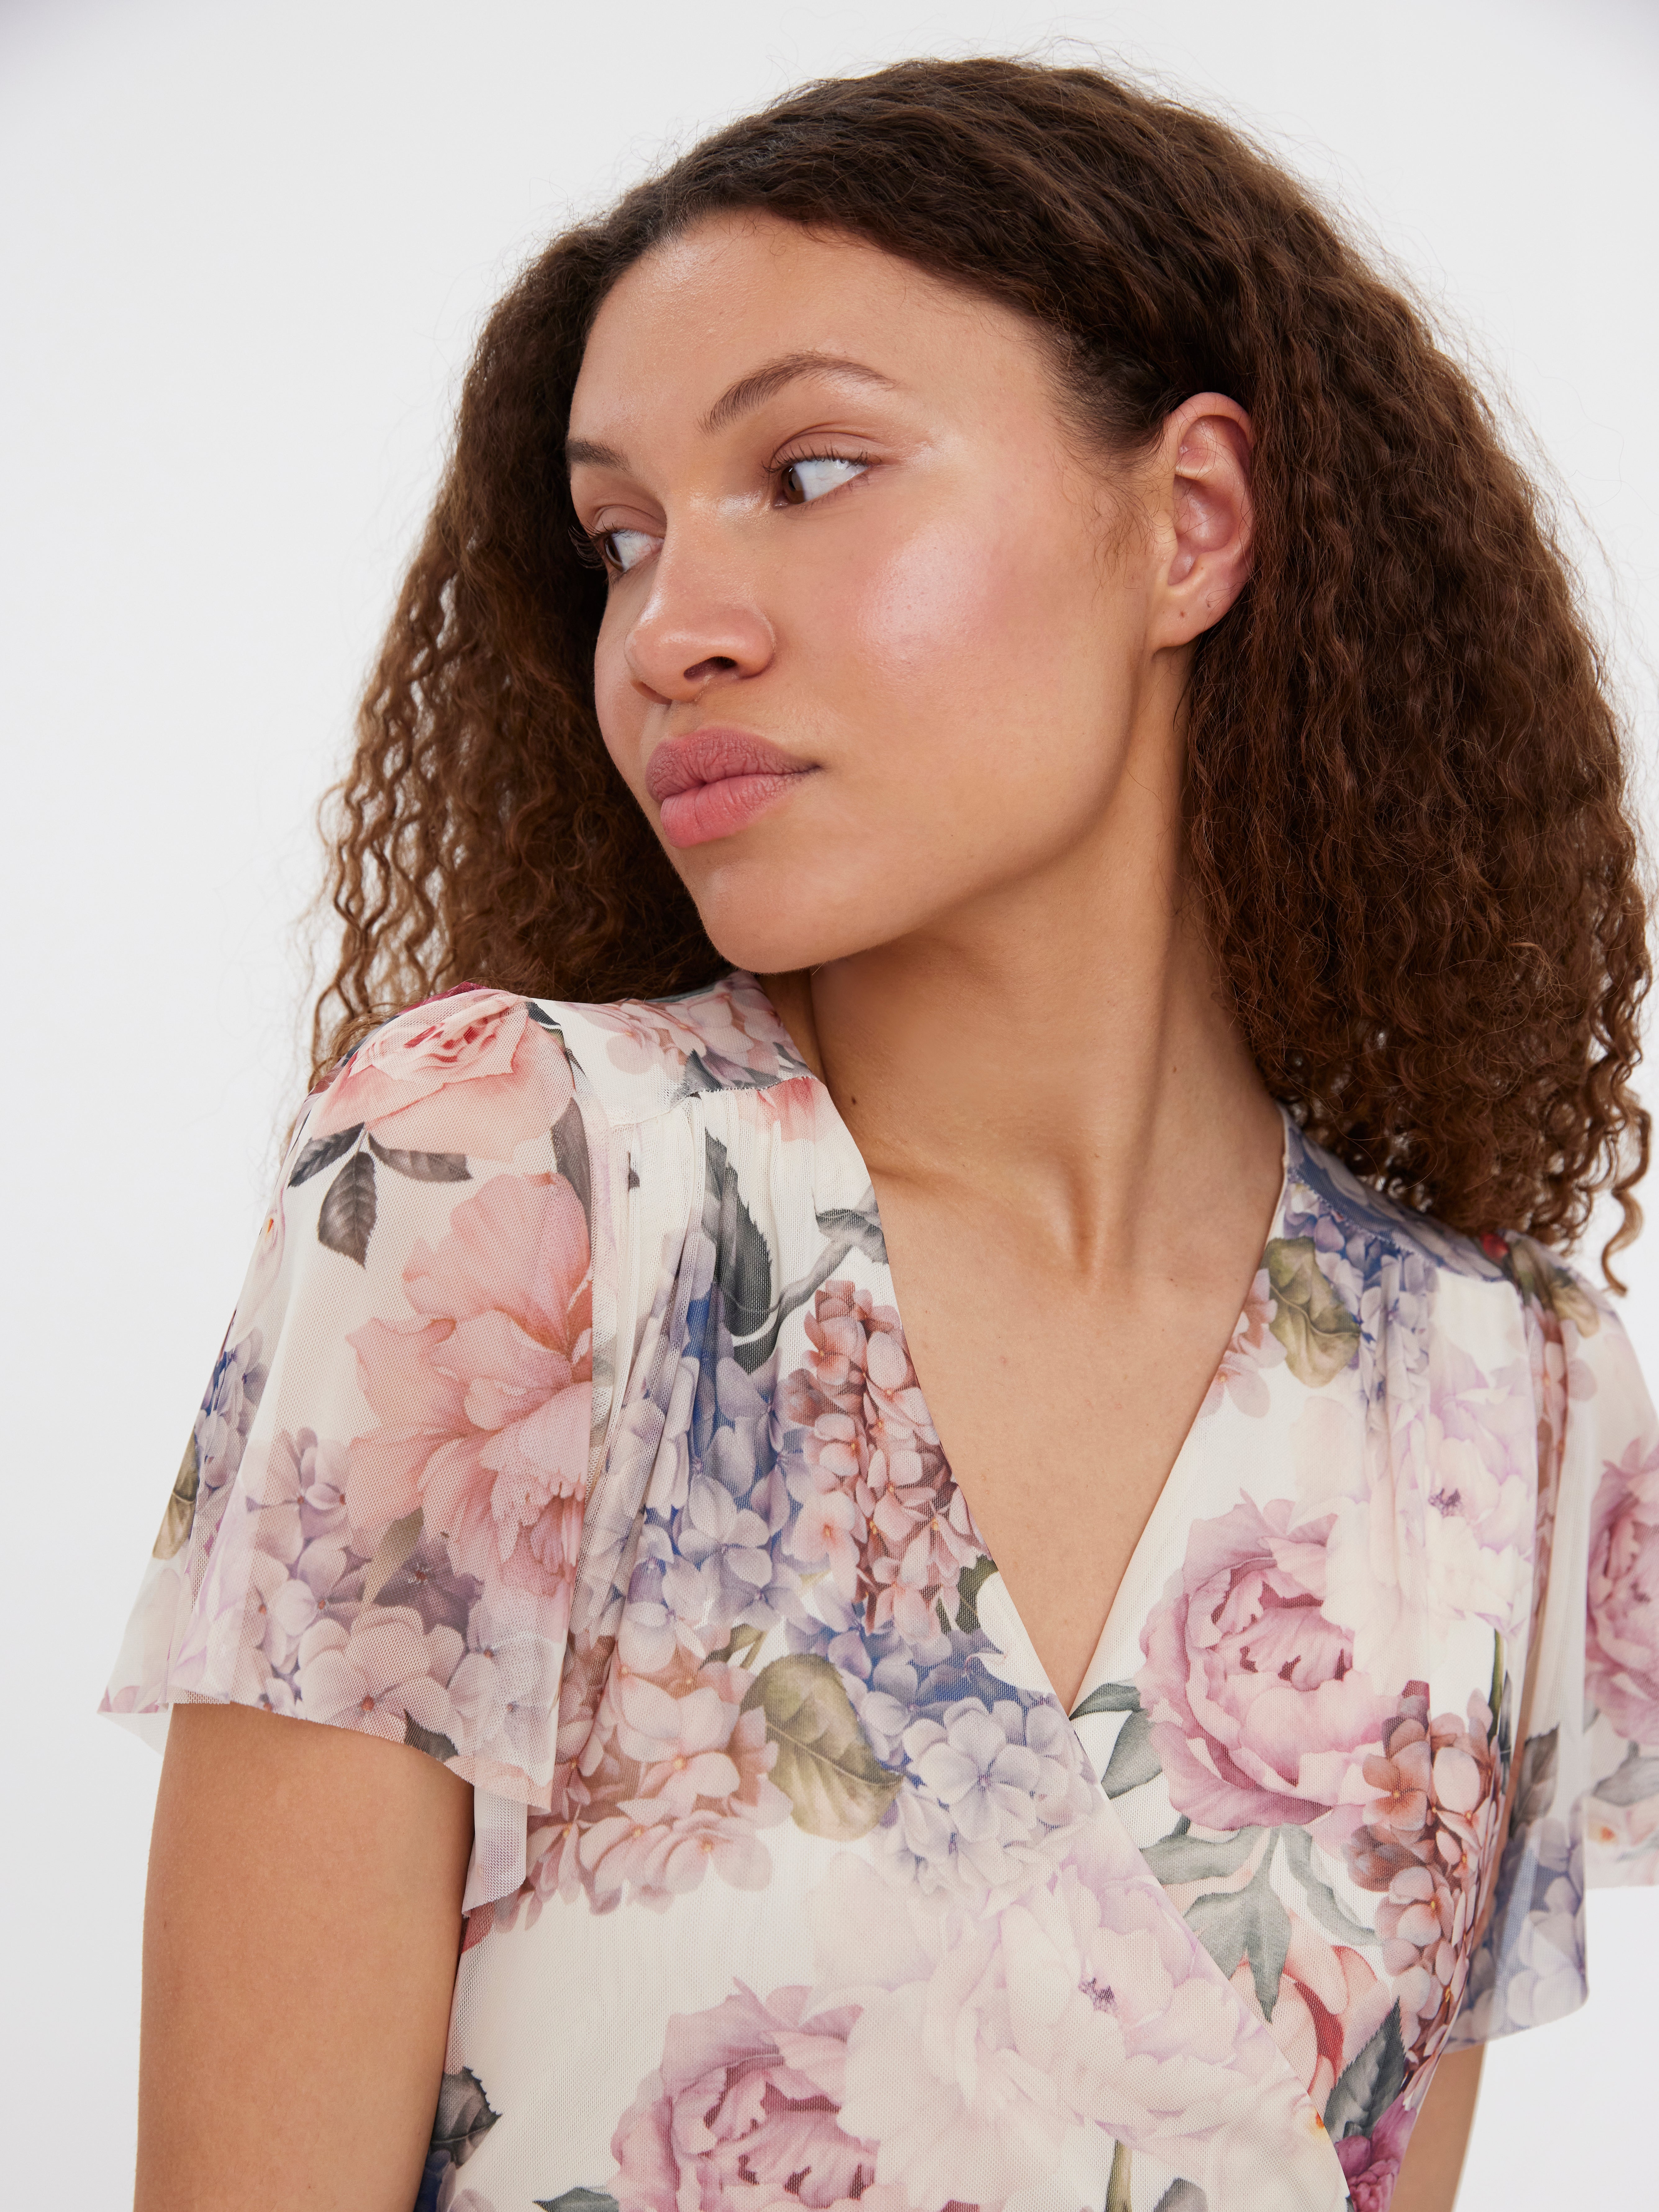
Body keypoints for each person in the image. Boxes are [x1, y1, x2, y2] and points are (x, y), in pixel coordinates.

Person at [104, 55, 1659, 2212]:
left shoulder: (1514, 1402)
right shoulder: (516, 1187)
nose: (672, 631)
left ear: (1191, 525)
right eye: (623, 540)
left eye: (812, 470)